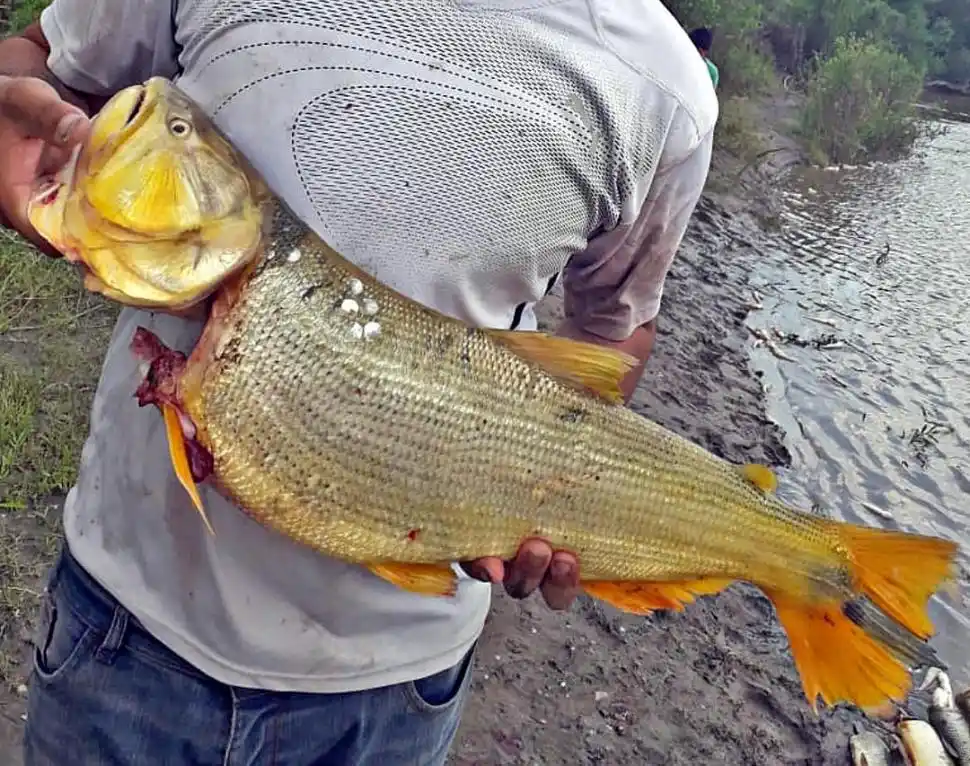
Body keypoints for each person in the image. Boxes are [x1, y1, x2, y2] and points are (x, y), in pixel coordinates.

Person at [0, 0, 717, 763]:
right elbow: (42, 63)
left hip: (390, 698)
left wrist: (541, 482)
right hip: (124, 626)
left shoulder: (665, 92)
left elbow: (614, 329)